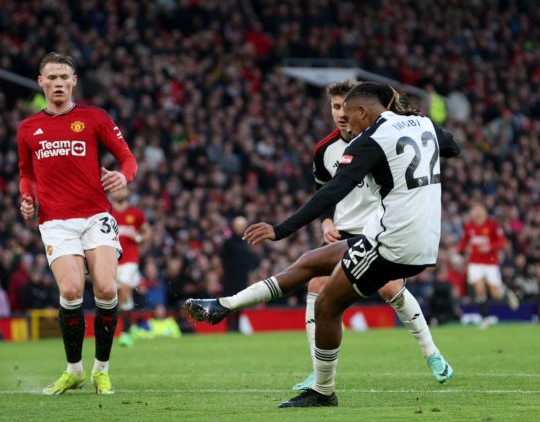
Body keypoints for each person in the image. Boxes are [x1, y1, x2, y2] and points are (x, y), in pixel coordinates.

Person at [186, 82, 460, 407]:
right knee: (311, 262)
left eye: (349, 113)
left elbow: (331, 192)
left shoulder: (370, 140)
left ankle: (323, 391)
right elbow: (452, 147)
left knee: (326, 305)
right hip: (420, 238)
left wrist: (281, 229)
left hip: (391, 242)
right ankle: (224, 305)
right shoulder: (422, 124)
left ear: (362, 111)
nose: (345, 120)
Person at [286, 81, 450, 389]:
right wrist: (325, 222)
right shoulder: (324, 150)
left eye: (344, 107)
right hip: (343, 230)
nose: (340, 114)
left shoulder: (380, 136)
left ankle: (432, 353)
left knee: (391, 291)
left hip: (378, 230)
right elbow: (324, 189)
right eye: (335, 107)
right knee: (317, 287)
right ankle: (317, 369)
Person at [17, 52, 138, 395]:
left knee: (106, 289)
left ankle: (102, 369)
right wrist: (27, 198)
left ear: (74, 81)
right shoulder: (28, 128)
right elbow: (26, 174)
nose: (57, 83)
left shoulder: (94, 118)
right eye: (51, 77)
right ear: (41, 82)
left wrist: (123, 177)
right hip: (55, 221)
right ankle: (74, 371)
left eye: (63, 77)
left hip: (95, 216)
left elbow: (128, 158)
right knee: (70, 291)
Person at [457, 203, 518, 328]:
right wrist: (459, 251)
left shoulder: (492, 225)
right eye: (474, 210)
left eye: (479, 209)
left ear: (484, 211)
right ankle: (485, 318)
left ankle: (506, 292)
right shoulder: (470, 226)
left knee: (496, 294)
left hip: (490, 263)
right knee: (479, 289)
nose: (476, 212)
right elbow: (463, 242)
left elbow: (502, 241)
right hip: (475, 263)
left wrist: (490, 246)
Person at [109, 186, 151, 347]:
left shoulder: (136, 213)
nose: (119, 192)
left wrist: (139, 238)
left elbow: (147, 232)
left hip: (130, 260)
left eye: (122, 189)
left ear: (127, 192)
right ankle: (129, 326)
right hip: (111, 260)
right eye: (116, 189)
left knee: (124, 290)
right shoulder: (107, 212)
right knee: (120, 296)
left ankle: (125, 332)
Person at [219, 216, 259, 331]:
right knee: (229, 304)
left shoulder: (248, 243)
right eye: (238, 226)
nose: (240, 228)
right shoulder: (228, 242)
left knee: (240, 304)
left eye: (242, 226)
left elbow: (252, 262)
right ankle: (229, 326)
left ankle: (236, 326)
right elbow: (223, 260)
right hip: (230, 279)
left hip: (242, 279)